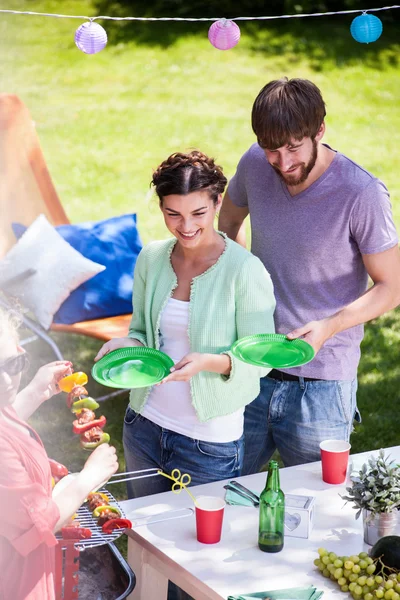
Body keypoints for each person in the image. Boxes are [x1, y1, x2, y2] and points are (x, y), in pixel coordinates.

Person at [218, 77, 400, 472]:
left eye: (293, 147)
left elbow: (391, 287)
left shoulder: (361, 193)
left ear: (320, 130)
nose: (283, 163)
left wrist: (329, 326)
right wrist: (236, 280)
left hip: (322, 384)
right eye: (271, 150)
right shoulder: (253, 163)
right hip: (253, 363)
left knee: (320, 505)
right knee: (225, 490)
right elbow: (229, 219)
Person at [95, 150, 275, 499]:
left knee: (201, 547)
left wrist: (210, 361)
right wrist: (128, 344)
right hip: (144, 423)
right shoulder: (151, 258)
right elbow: (144, 332)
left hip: (208, 440)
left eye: (198, 213)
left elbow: (262, 358)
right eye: (172, 214)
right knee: (144, 538)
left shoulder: (244, 270)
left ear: (218, 202)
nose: (186, 226)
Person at [0, 308, 119, 600]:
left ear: (20, 351)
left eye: (13, 364)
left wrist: (36, 391)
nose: (5, 381)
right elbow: (39, 524)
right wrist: (87, 479)